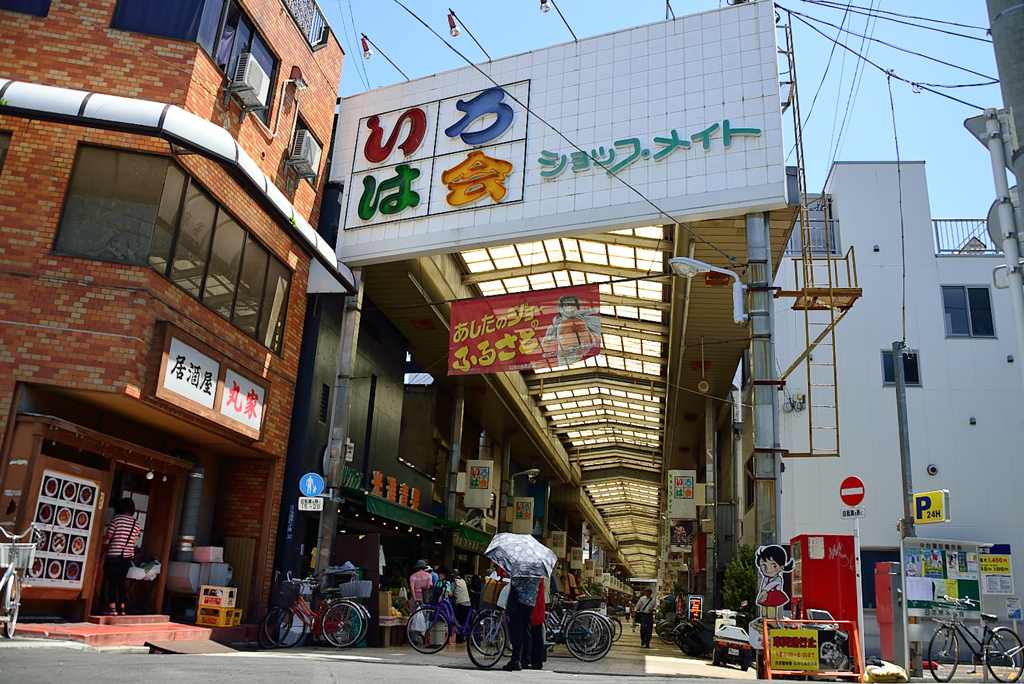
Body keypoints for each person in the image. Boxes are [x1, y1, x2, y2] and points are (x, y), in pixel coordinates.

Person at [101, 497, 140, 616]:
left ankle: (112, 608)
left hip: (114, 554)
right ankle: (122, 608)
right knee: (122, 582)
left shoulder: (116, 519)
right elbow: (132, 540)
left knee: (112, 581)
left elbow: (109, 535)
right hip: (128, 556)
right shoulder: (136, 523)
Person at [503, 572, 540, 671]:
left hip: (519, 600)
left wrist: (511, 577)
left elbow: (515, 583)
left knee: (517, 631)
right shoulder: (538, 569)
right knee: (527, 630)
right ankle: (526, 661)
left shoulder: (522, 567)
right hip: (531, 601)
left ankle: (515, 660)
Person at [529, 578, 547, 670]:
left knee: (535, 633)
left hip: (534, 603)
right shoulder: (539, 570)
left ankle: (535, 660)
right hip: (536, 603)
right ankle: (536, 661)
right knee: (536, 632)